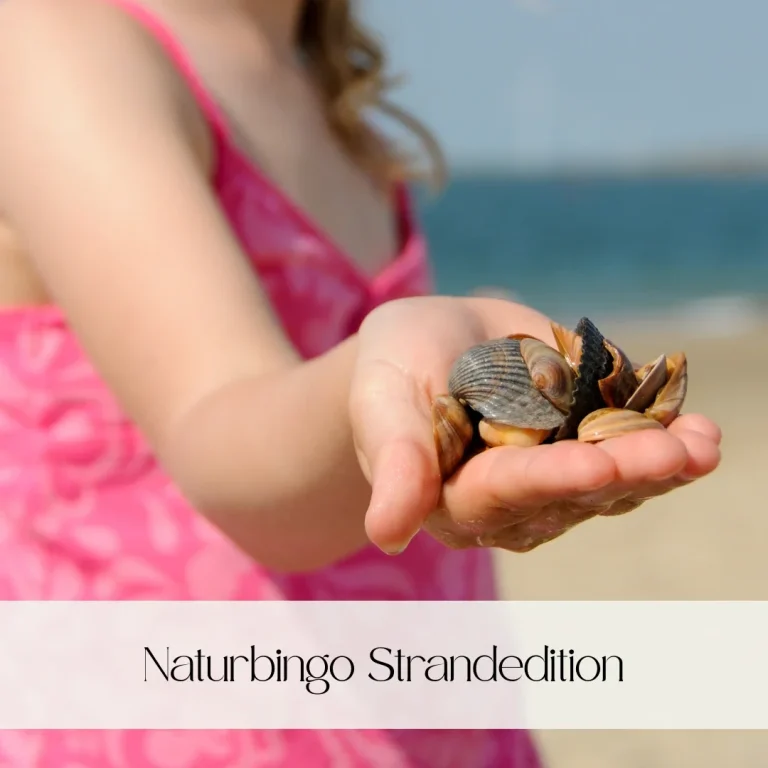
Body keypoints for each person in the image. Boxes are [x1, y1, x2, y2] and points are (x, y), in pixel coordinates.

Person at [0, 0, 721, 765]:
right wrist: (371, 394)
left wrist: (462, 344)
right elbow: (215, 426)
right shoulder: (57, 43)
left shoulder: (318, 82)